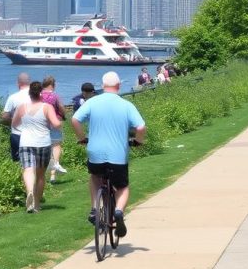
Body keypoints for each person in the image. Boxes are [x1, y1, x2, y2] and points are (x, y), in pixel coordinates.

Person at [71, 71, 147, 238]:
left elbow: (75, 119)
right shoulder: (126, 105)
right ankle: (118, 211)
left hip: (95, 152)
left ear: (103, 86)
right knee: (122, 187)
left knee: (94, 178)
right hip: (118, 155)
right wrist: (138, 141)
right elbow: (141, 127)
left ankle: (94, 209)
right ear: (119, 86)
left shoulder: (92, 102)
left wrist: (82, 138)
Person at [12, 81, 62, 213]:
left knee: (28, 170)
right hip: (42, 143)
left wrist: (25, 127)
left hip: (26, 142)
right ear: (41, 93)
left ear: (29, 94)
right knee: (40, 175)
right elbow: (56, 124)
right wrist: (55, 125)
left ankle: (29, 192)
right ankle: (37, 204)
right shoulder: (47, 107)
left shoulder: (22, 107)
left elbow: (14, 123)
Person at [40, 76, 68, 182]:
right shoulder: (54, 96)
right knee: (56, 145)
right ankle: (53, 173)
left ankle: (41, 174)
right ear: (53, 85)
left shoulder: (39, 95)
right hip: (55, 121)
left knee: (45, 147)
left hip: (42, 123)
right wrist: (64, 115)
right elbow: (60, 107)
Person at [2, 72, 32, 164]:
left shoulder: (13, 97)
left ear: (18, 83)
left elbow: (5, 116)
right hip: (34, 134)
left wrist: (11, 122)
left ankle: (21, 176)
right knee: (33, 161)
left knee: (18, 161)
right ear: (30, 83)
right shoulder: (38, 96)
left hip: (17, 134)